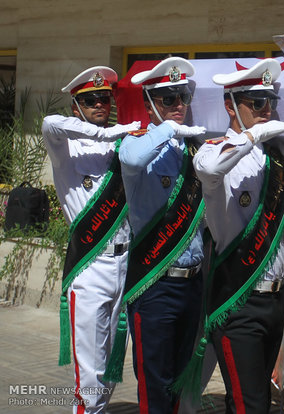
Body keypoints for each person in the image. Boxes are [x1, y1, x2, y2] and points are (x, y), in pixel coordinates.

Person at [191, 58, 284, 413]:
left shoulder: (276, 161)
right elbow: (210, 167)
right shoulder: (214, 151)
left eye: (270, 102)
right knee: (251, 405)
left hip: (275, 303)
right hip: (237, 302)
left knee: (250, 401)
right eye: (256, 103)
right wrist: (252, 135)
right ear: (230, 105)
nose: (266, 110)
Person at [42, 66, 140, 413]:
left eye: (104, 98)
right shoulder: (65, 145)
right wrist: (109, 134)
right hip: (90, 267)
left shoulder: (122, 144)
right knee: (90, 374)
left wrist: (119, 133)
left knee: (112, 368)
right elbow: (48, 123)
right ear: (76, 106)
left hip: (125, 265)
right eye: (90, 99)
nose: (100, 104)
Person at [114, 57, 208, 413]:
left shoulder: (193, 149)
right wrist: (168, 128)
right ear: (151, 103)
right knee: (155, 386)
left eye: (183, 96)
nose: (179, 106)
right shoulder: (137, 143)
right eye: (169, 99)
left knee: (180, 383)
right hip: (156, 284)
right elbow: (135, 160)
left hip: (191, 283)